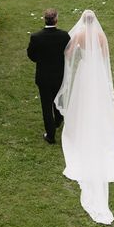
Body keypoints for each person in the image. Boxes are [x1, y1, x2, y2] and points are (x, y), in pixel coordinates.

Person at [54, 10, 114, 225]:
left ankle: (81, 120)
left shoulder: (80, 34)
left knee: (82, 98)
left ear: (83, 22)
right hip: (97, 71)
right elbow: (105, 56)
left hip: (85, 70)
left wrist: (78, 56)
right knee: (97, 99)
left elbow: (68, 53)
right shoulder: (101, 36)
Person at [27, 8, 71, 145]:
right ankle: (58, 120)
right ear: (56, 19)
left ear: (44, 19)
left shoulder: (36, 37)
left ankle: (50, 135)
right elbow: (68, 53)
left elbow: (31, 55)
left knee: (46, 106)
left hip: (43, 76)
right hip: (59, 75)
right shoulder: (64, 36)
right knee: (58, 97)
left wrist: (41, 60)